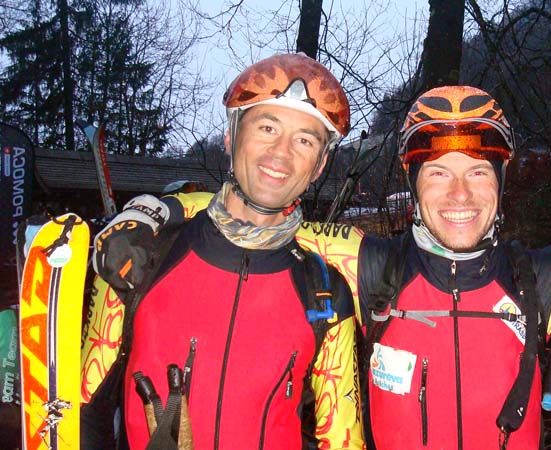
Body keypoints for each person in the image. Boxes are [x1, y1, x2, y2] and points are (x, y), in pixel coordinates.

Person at [92, 88, 551, 450]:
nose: (459, 195)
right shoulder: (369, 266)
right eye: (438, 173)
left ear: (501, 184)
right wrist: (155, 209)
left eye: (477, 172)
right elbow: (256, 211)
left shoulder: (546, 278)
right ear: (412, 184)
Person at [83, 53, 364, 450]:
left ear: (318, 166)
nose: (281, 153)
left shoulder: (325, 292)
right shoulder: (144, 253)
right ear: (231, 137)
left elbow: (343, 439)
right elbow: (85, 407)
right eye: (267, 127)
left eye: (304, 140)